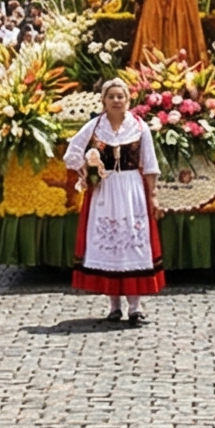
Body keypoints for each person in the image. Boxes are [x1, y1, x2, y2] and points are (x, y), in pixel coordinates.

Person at [62, 77, 164, 325]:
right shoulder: (95, 126)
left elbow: (150, 165)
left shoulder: (140, 127)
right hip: (104, 191)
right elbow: (72, 152)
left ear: (128, 101)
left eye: (121, 97)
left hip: (131, 189)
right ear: (103, 101)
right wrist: (86, 170)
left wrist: (152, 196)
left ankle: (135, 306)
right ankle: (114, 305)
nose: (116, 101)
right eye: (111, 97)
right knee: (109, 245)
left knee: (132, 243)